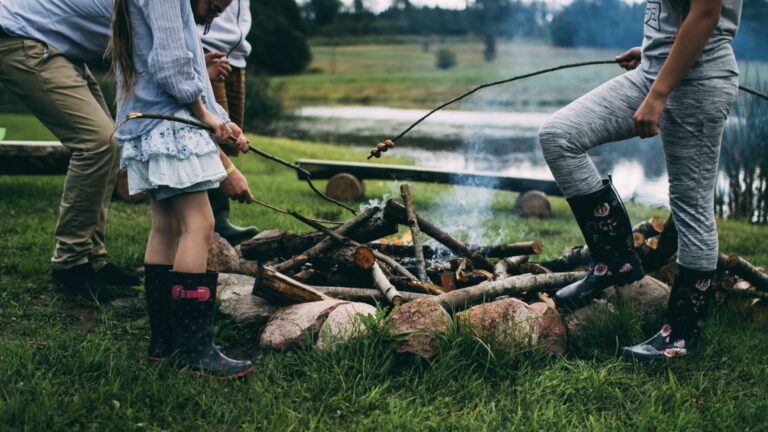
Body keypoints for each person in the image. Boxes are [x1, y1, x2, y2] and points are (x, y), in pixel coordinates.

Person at [537, 0, 741, 361]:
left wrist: (660, 92)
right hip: (655, 72)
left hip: (698, 82)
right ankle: (613, 260)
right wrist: (655, 51)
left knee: (691, 206)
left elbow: (706, 14)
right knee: (559, 135)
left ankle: (679, 336)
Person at [110, 0, 255, 378]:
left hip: (148, 120)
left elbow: (182, 67)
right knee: (200, 225)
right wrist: (208, 119)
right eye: (216, 4)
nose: (216, 14)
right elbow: (172, 65)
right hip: (169, 123)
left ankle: (165, 342)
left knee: (167, 228)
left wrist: (223, 123)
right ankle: (194, 349)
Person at [0, 0, 141, 301]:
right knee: (98, 143)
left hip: (57, 45)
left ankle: (93, 256)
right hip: (22, 36)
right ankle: (70, 262)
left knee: (110, 143)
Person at [200, 0, 259, 246]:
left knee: (230, 137)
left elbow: (241, 12)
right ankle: (215, 217)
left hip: (237, 56)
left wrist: (238, 38)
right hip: (208, 50)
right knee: (213, 133)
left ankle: (216, 217)